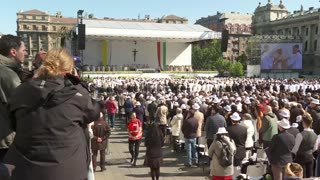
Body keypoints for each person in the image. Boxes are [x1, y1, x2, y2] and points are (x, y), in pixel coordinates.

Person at [3, 48, 101, 180]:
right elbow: (94, 112)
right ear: (69, 69)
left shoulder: (20, 90)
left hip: (26, 169)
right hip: (68, 171)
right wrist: (76, 81)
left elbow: (12, 123)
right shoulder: (76, 94)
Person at [0, 35, 26, 163]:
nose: (25, 53)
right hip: (5, 139)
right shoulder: (7, 74)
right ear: (13, 52)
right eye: (23, 50)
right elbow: (24, 100)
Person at [291, 112, 317, 178]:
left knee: (301, 176)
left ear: (303, 123)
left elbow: (295, 149)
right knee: (309, 176)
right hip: (310, 157)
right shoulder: (315, 135)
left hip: (300, 158)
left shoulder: (300, 135)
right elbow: (315, 148)